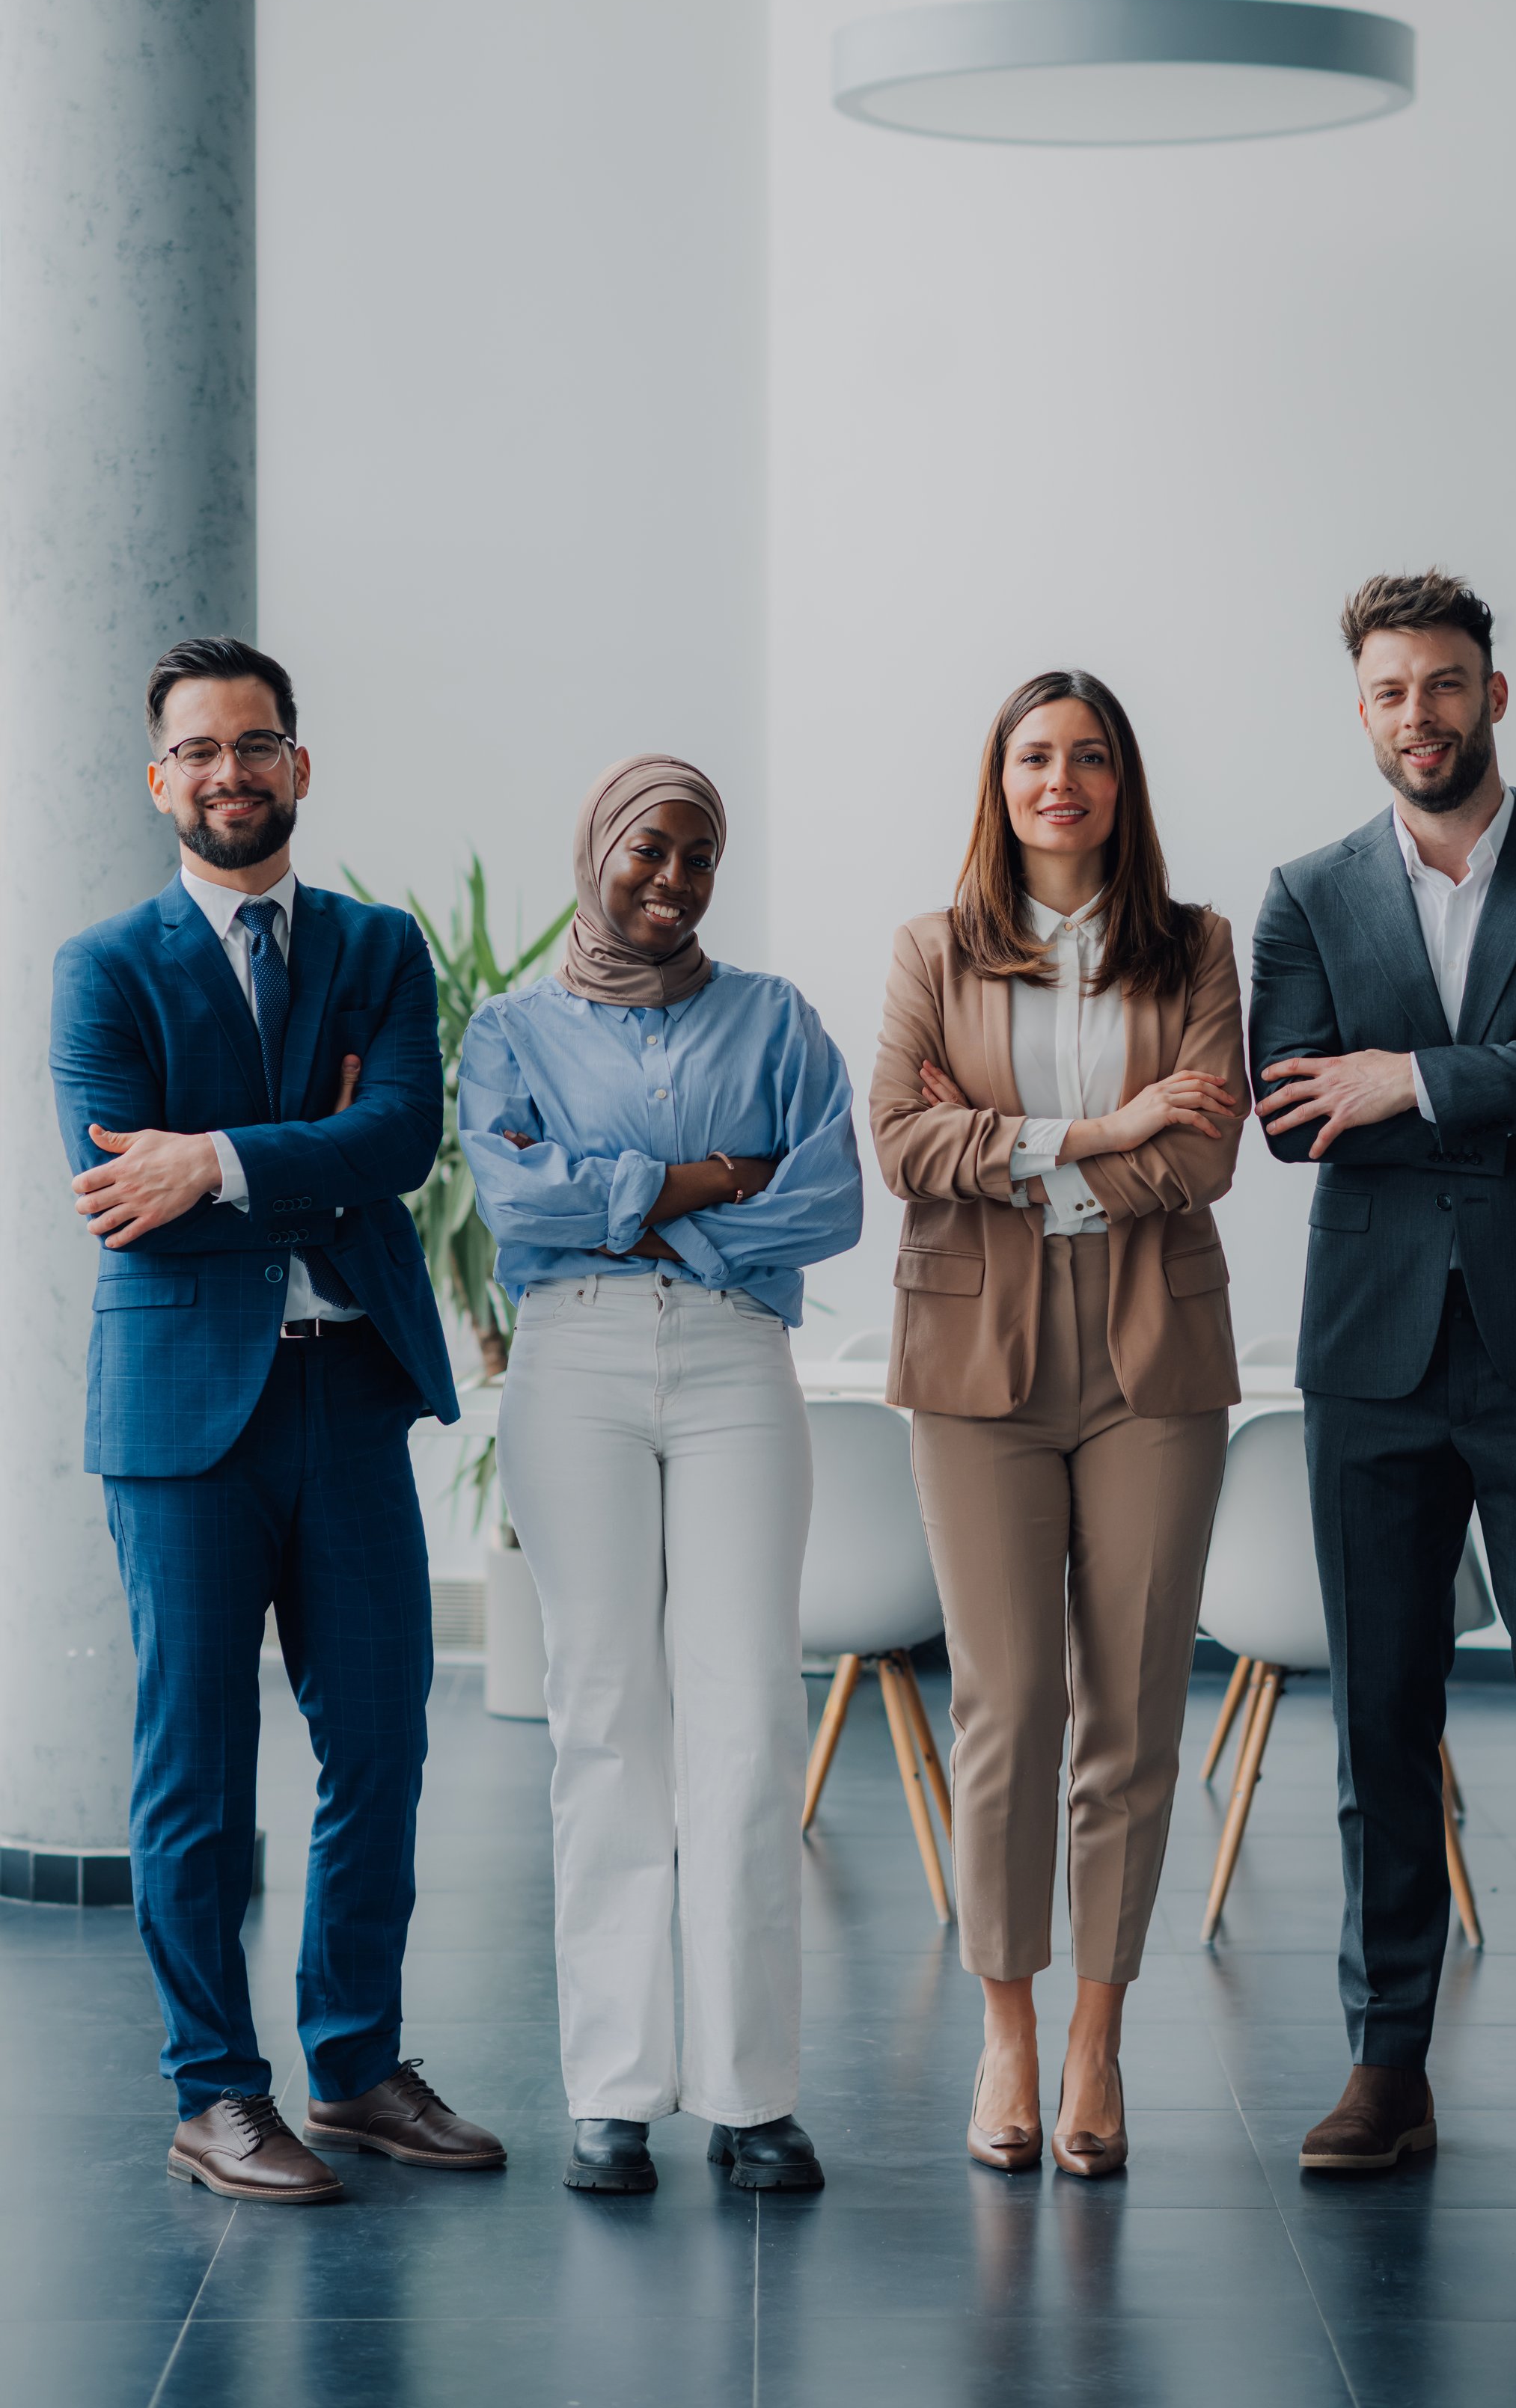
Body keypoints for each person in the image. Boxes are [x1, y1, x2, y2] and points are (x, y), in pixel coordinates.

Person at [49, 636, 504, 2204]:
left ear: (299, 767)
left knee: (380, 1740)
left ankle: (359, 2065)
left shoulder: (377, 948)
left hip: (349, 1392)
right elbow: (126, 1200)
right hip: (183, 1418)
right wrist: (297, 1146)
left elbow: (397, 1138)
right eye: (199, 750)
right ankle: (216, 2090)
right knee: (199, 1762)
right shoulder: (104, 969)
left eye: (257, 746)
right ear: (159, 778)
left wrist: (220, 1156)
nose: (229, 773)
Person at [1250, 569, 1516, 2191]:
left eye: (1444, 684)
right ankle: (1386, 2065)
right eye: (1388, 690)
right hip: (1374, 1351)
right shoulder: (1308, 896)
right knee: (1378, 1723)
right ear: (1359, 709)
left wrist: (1410, 1080)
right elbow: (1294, 1112)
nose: (1418, 714)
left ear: (1493, 696)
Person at [460, 756, 861, 2197]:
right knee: (606, 1716)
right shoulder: (509, 1031)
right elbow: (517, 1198)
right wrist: (705, 1182)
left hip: (738, 1364)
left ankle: (753, 2096)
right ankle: (616, 2091)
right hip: (569, 1369)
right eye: (650, 851)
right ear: (598, 850)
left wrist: (623, 1204)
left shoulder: (778, 1019)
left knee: (749, 1711)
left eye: (699, 857)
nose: (674, 880)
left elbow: (824, 1199)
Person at [870, 671, 1246, 2179]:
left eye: (1090, 757)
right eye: (1036, 755)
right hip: (978, 1360)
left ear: (1122, 782)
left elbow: (1209, 1153)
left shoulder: (1198, 944)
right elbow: (900, 1140)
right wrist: (1103, 1128)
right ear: (999, 778)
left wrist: (1016, 1152)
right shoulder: (931, 949)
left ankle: (1098, 2044)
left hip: (1156, 1354)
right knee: (1008, 1709)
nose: (1062, 780)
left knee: (1133, 1716)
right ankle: (1008, 2035)